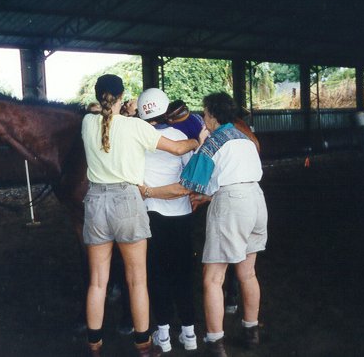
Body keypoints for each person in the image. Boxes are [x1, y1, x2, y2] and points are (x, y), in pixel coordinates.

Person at [81, 75, 199, 357]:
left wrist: (119, 110)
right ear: (123, 96)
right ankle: (144, 346)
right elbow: (178, 148)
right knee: (137, 280)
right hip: (127, 201)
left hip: (96, 201)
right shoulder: (135, 127)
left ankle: (95, 346)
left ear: (100, 96)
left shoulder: (87, 123)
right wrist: (197, 138)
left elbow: (93, 110)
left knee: (98, 281)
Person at [182, 92, 267, 356]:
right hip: (256, 200)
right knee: (248, 273)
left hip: (231, 204)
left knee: (213, 278)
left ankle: (215, 342)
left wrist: (200, 143)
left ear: (213, 115)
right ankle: (251, 331)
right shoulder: (244, 138)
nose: (203, 118)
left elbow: (191, 180)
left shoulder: (215, 140)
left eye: (205, 113)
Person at [137, 89, 198, 353]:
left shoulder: (138, 139)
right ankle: (190, 334)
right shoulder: (179, 136)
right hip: (181, 215)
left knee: (156, 275)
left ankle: (163, 337)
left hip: (150, 214)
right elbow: (193, 176)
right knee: (183, 274)